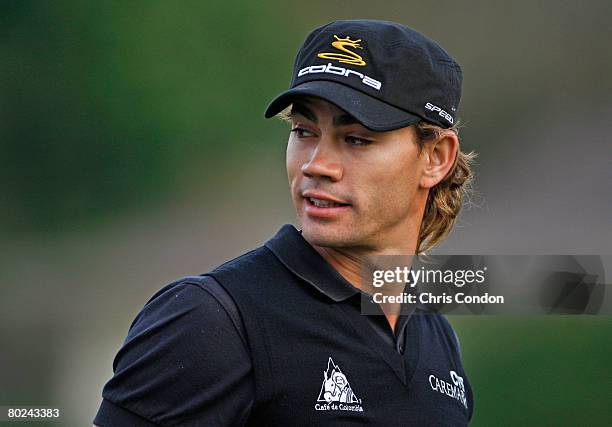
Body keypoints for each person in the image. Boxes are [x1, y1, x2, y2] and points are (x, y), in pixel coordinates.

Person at [94, 19, 476, 426]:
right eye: (304, 131)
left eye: (356, 139)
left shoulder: (437, 337)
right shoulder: (209, 320)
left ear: (436, 157)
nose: (316, 165)